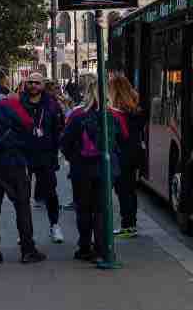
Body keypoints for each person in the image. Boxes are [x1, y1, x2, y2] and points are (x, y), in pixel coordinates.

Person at [0, 68, 45, 265]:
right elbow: (27, 124)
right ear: (4, 81)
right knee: (22, 205)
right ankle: (27, 250)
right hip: (12, 159)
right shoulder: (9, 102)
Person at [61, 81, 128, 261]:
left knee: (83, 209)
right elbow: (123, 140)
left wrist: (73, 159)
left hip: (82, 169)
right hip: (105, 169)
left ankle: (84, 247)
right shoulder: (114, 115)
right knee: (101, 209)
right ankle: (102, 248)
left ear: (87, 93)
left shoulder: (77, 115)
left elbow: (65, 142)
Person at [20, 72, 65, 245]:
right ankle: (25, 232)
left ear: (42, 86)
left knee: (50, 193)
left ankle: (54, 225)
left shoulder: (52, 105)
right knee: (22, 195)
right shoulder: (19, 102)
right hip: (24, 154)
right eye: (30, 82)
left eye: (37, 83)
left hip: (46, 155)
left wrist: (56, 151)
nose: (33, 85)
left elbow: (58, 128)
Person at [111, 74, 146, 239]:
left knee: (123, 191)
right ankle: (131, 224)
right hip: (135, 153)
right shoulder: (136, 109)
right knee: (130, 190)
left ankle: (128, 225)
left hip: (122, 154)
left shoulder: (118, 112)